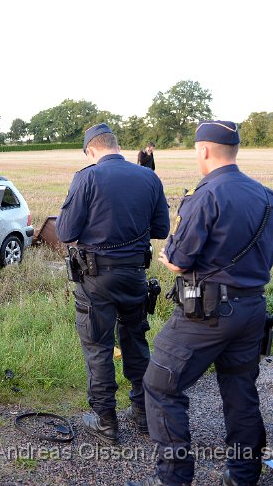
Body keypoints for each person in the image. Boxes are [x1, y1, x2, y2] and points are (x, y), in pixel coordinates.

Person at [131, 121, 273, 486]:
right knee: (240, 393)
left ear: (204, 150)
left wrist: (169, 258)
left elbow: (180, 259)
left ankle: (173, 478)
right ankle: (244, 476)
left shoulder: (207, 194)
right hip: (252, 309)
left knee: (160, 384)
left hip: (206, 313)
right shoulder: (268, 197)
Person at [56, 123, 170, 444]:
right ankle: (144, 414)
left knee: (98, 346)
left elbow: (65, 232)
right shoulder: (148, 177)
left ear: (91, 150)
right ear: (116, 146)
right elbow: (160, 228)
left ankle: (106, 421)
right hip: (134, 276)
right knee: (135, 340)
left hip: (95, 279)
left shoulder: (87, 177)